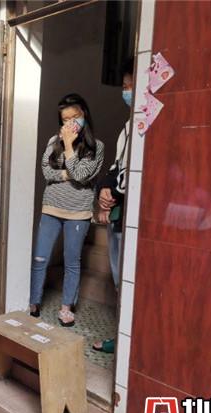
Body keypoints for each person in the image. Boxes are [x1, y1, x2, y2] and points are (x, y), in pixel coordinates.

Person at [29, 94, 104, 326]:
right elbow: (46, 171)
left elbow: (81, 175)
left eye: (75, 117)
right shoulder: (54, 141)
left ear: (84, 115)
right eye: (65, 119)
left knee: (72, 261)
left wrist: (69, 146)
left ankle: (66, 308)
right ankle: (34, 302)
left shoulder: (96, 147)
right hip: (51, 208)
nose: (70, 123)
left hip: (78, 213)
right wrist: (66, 173)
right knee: (40, 257)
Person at [93, 59, 134, 354]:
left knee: (132, 284)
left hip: (135, 219)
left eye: (131, 86)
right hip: (118, 218)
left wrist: (114, 192)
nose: (126, 91)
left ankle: (129, 344)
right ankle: (121, 339)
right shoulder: (127, 128)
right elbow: (116, 168)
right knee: (120, 282)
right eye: (124, 86)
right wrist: (105, 191)